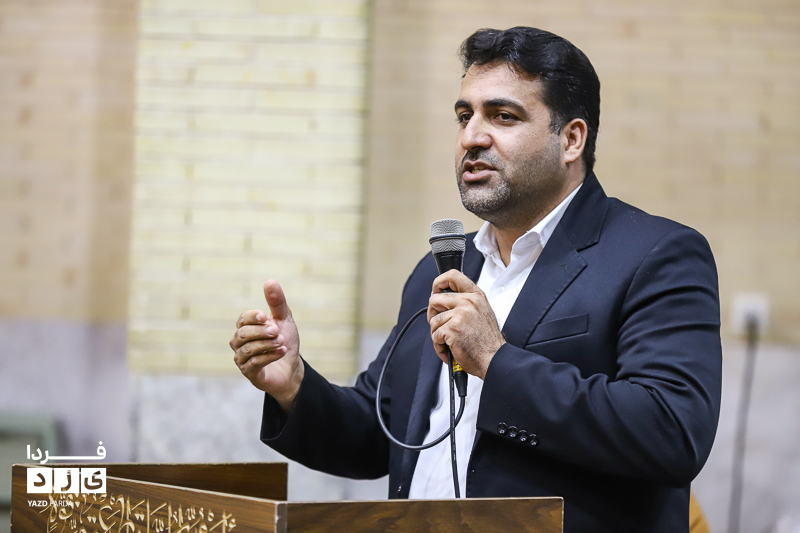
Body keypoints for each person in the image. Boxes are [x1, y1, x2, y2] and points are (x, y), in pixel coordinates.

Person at [230, 27, 722, 533]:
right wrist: (295, 387)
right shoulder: (444, 268)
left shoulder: (655, 255)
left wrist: (496, 360)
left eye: (503, 116)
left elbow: (672, 432)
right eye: (465, 116)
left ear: (571, 139)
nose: (472, 137)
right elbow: (381, 434)